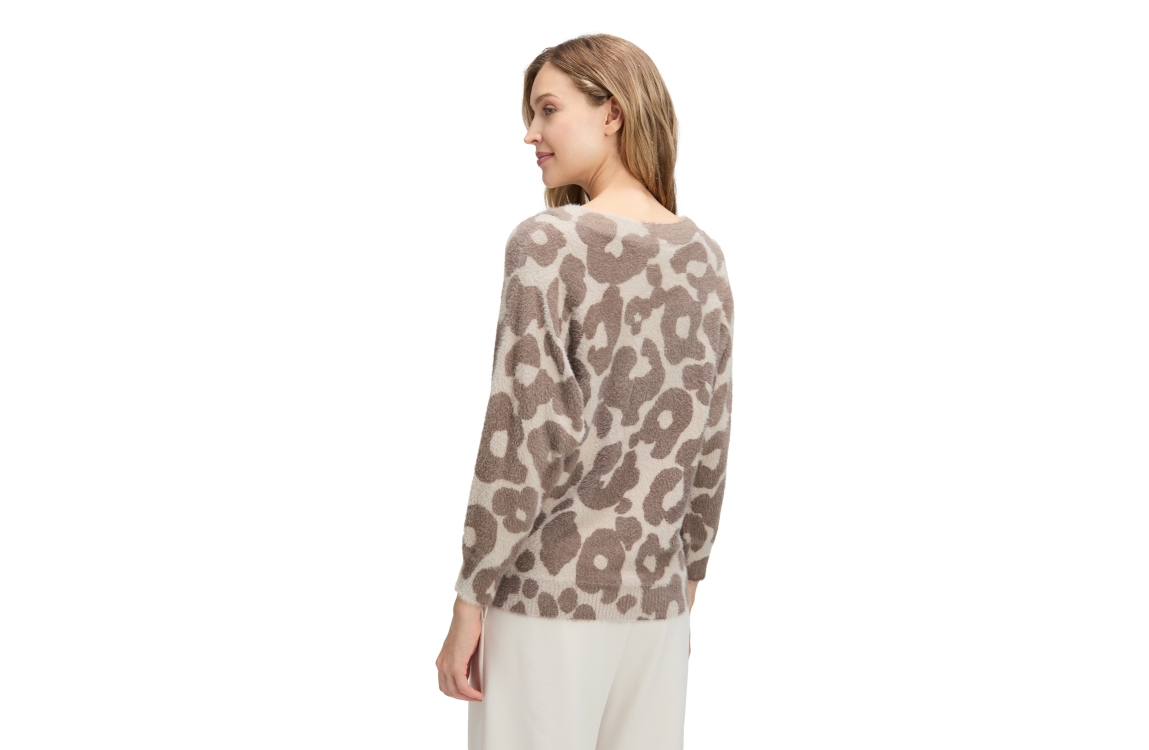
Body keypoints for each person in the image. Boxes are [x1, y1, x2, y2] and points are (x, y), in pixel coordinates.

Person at [435, 33, 734, 750]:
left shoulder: (549, 244)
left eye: (547, 110)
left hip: (547, 597)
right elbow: (710, 437)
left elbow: (523, 433)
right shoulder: (703, 257)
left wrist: (470, 599)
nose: (530, 133)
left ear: (613, 113)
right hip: (656, 606)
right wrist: (685, 582)